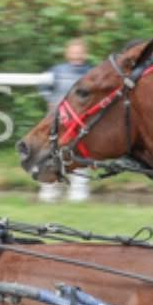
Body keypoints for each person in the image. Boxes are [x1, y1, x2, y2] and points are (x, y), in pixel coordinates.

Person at [39, 38, 95, 204]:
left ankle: (78, 193)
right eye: (74, 51)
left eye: (80, 52)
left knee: (79, 155)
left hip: (80, 123)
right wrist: (50, 100)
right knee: (51, 155)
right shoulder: (57, 71)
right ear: (68, 53)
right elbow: (42, 86)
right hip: (58, 121)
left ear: (85, 54)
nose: (77, 55)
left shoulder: (91, 72)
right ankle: (49, 191)